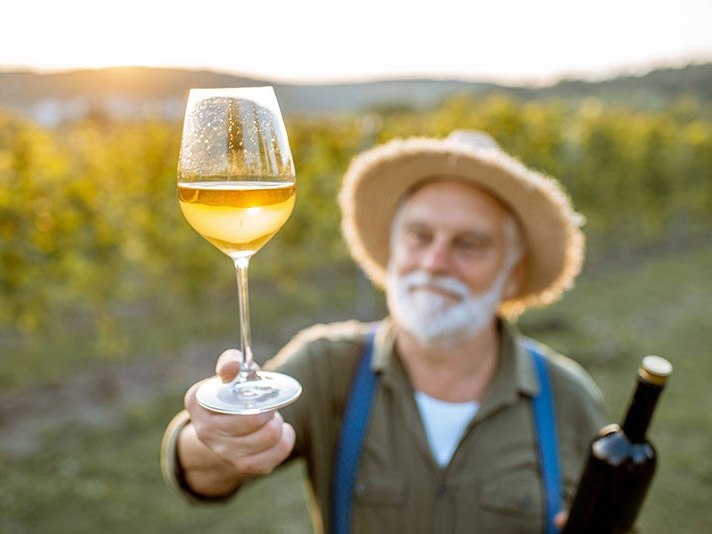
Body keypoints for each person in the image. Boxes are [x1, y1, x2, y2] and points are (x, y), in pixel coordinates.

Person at [161, 130, 608, 533]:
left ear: (513, 275)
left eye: (468, 245)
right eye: (419, 236)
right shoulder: (329, 366)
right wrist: (215, 438)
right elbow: (196, 468)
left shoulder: (568, 397)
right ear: (393, 248)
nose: (434, 263)